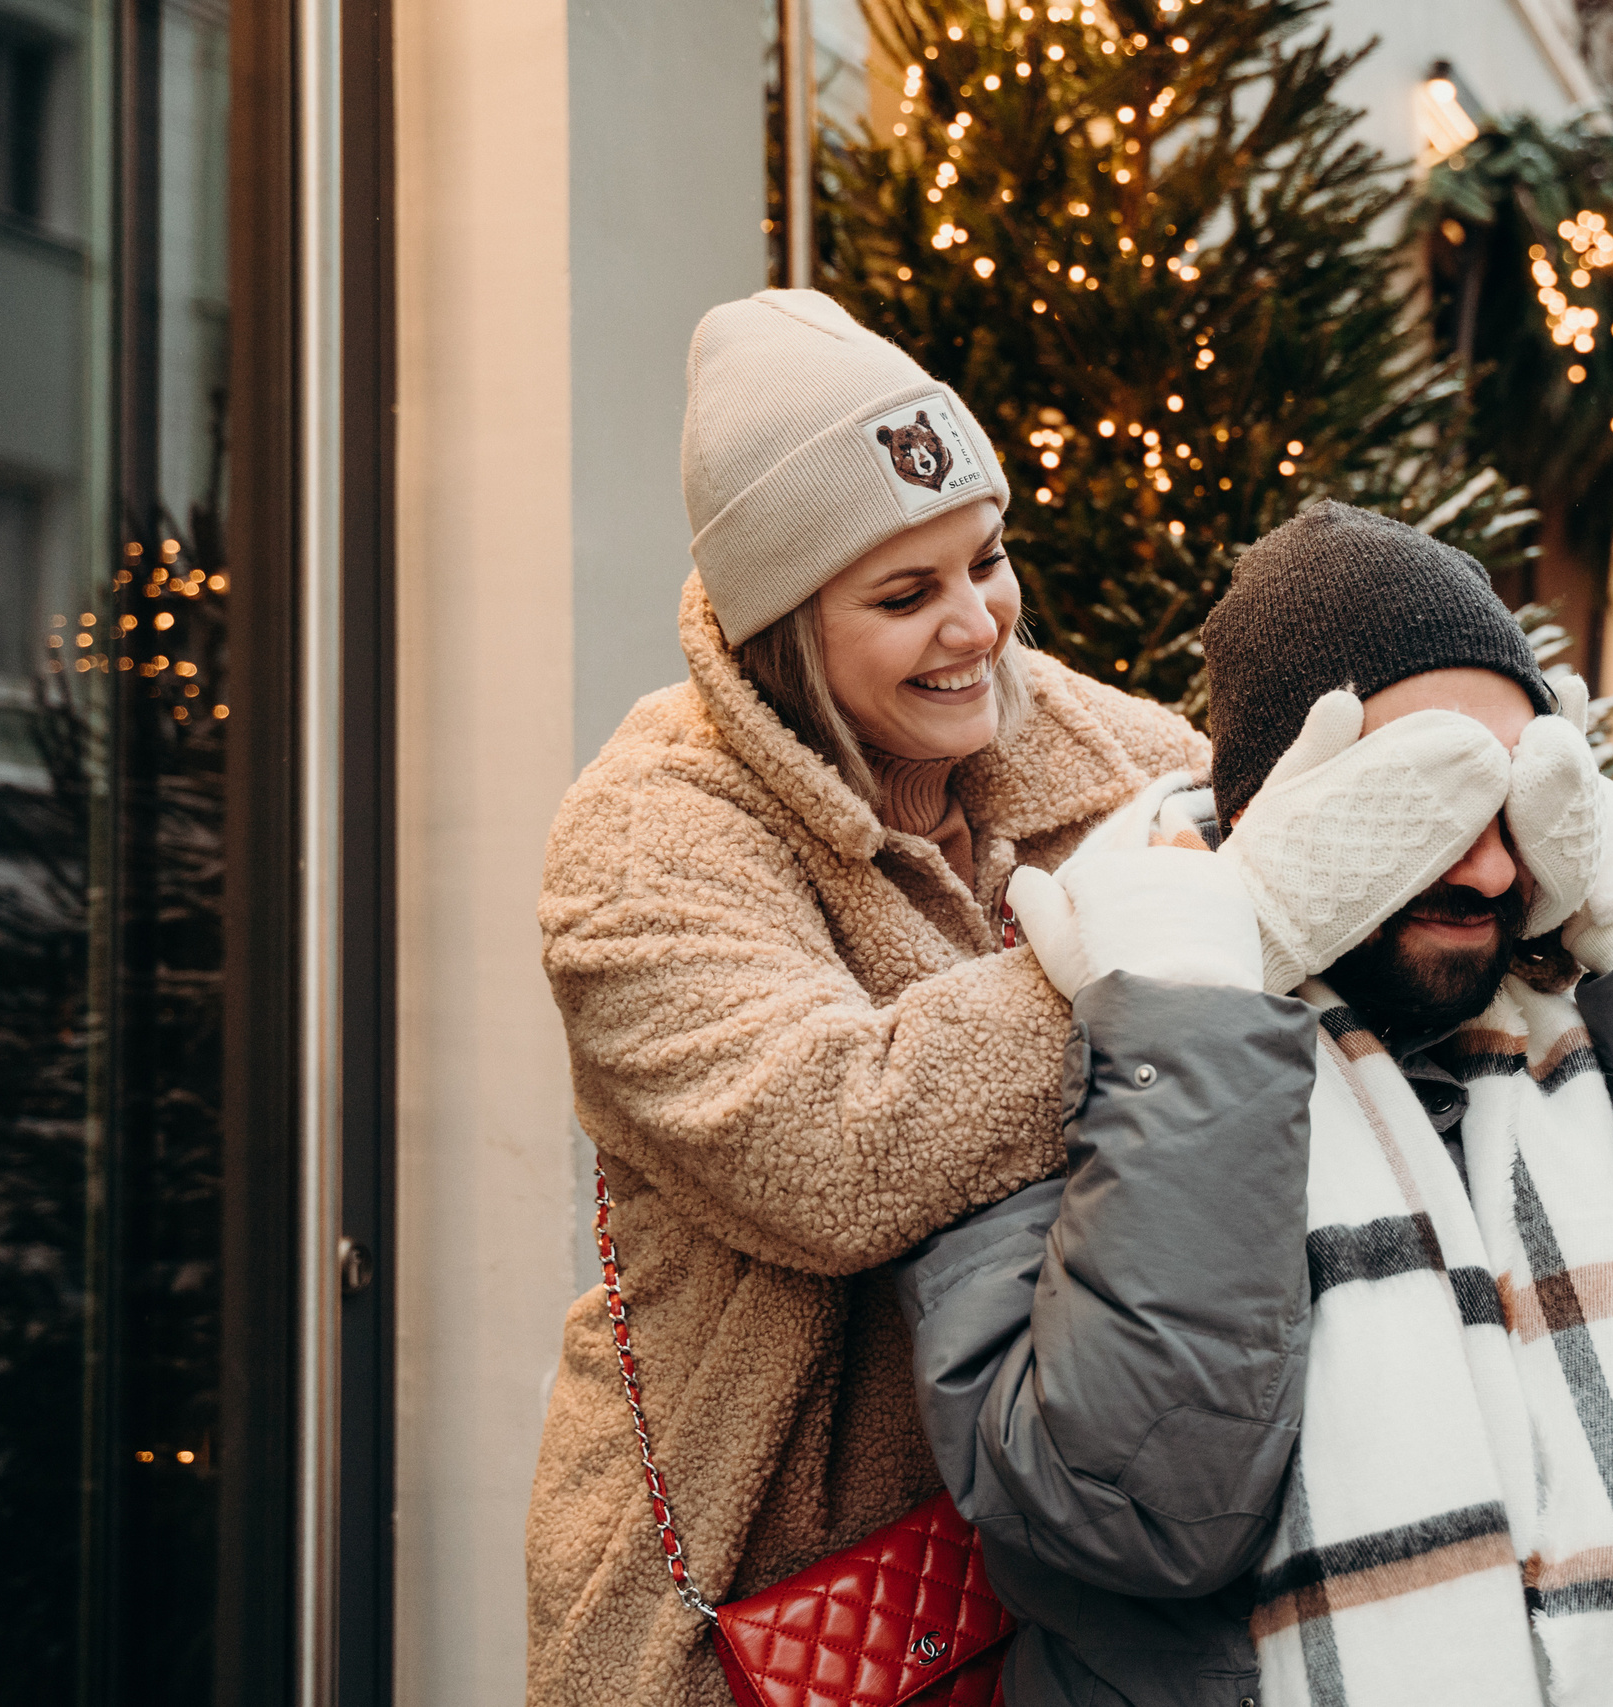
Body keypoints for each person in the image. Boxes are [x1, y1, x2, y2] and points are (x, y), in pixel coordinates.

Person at [899, 502, 1613, 1706]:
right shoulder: (1079, 1014)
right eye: (1417, 799)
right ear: (1289, 804)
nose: (1487, 868)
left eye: (1518, 799)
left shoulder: (1575, 1017)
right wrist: (1200, 1011)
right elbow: (1137, 1510)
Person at [523, 291, 1211, 1705]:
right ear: (786, 627)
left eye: (987, 559)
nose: (976, 626)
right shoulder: (648, 837)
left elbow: (1274, 866)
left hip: (1062, 1586)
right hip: (780, 1591)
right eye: (904, 596)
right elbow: (834, 1147)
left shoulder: (1083, 741)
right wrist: (1118, 952)